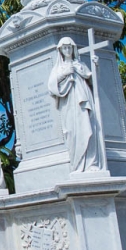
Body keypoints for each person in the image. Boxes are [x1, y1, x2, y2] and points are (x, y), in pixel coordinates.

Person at [47, 37, 101, 172]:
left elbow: (92, 80)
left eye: (69, 47)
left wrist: (96, 66)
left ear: (73, 49)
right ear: (60, 50)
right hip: (69, 104)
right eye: (64, 48)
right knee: (72, 132)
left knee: (88, 128)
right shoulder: (58, 68)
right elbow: (51, 86)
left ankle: (90, 163)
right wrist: (64, 74)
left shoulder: (80, 65)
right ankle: (77, 164)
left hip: (84, 100)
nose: (67, 50)